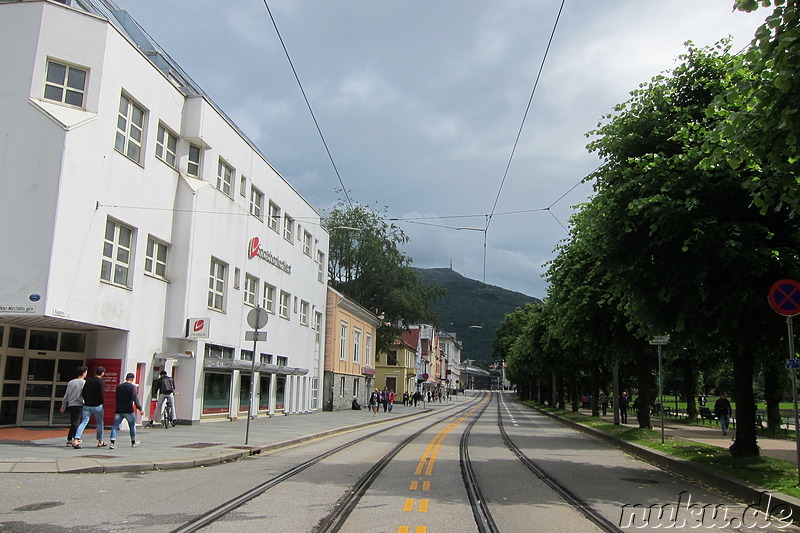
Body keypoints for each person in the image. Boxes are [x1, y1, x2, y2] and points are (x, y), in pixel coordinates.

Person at [110, 373, 144, 449]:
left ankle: (112, 443)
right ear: (132, 379)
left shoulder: (119, 387)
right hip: (128, 410)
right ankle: (133, 442)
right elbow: (135, 399)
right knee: (132, 426)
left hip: (119, 410)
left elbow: (117, 398)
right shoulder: (132, 387)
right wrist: (140, 409)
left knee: (115, 426)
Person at [75, 366, 107, 447]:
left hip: (87, 405)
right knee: (99, 423)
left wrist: (86, 400)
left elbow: (84, 392)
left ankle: (76, 439)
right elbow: (101, 394)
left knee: (84, 422)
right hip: (97, 406)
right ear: (102, 373)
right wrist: (101, 402)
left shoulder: (88, 380)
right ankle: (100, 441)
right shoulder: (100, 382)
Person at [60, 366, 88, 449]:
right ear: (83, 373)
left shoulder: (71, 382)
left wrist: (63, 405)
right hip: (79, 404)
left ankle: (69, 439)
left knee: (73, 422)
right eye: (86, 372)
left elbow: (66, 394)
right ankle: (75, 439)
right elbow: (85, 394)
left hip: (71, 404)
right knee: (76, 423)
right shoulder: (84, 383)